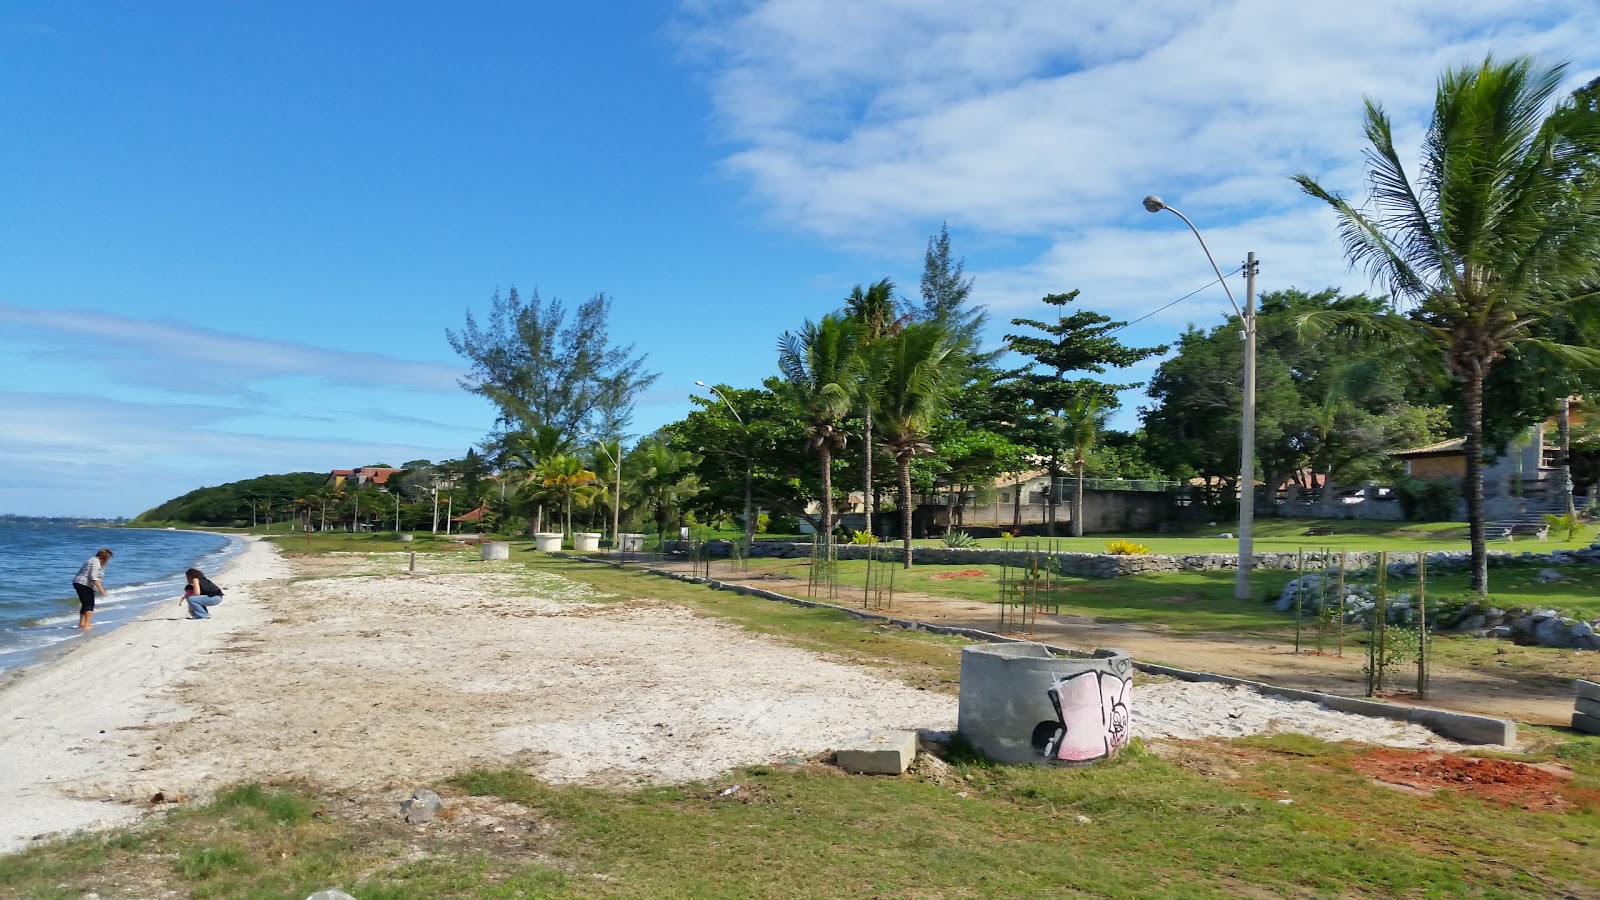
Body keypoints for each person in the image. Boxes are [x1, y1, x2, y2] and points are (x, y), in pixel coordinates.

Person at [72, 548, 113, 629]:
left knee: (85, 604)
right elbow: (94, 577)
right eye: (108, 558)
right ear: (104, 557)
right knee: (90, 604)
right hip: (84, 584)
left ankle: (82, 624)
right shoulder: (96, 562)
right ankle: (87, 624)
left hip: (78, 582)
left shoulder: (92, 560)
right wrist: (102, 590)